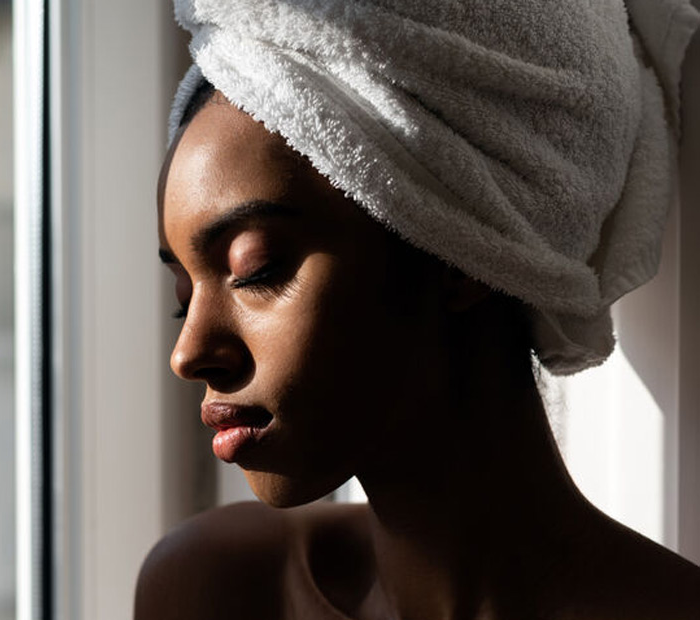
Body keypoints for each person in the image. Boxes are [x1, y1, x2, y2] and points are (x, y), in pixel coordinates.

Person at [135, 1, 700, 618]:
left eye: (255, 270)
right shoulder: (220, 588)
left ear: (464, 247)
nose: (188, 354)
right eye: (182, 298)